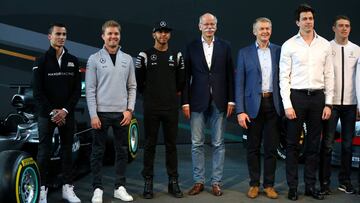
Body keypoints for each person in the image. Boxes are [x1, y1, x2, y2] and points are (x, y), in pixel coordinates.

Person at [279, 4, 334, 201]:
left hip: (318, 99)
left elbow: (330, 75)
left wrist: (329, 103)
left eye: (310, 18)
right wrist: (287, 104)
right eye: (304, 18)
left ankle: (310, 186)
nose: (308, 21)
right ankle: (293, 187)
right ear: (297, 22)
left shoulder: (325, 45)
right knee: (292, 145)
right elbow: (283, 77)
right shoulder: (289, 45)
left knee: (313, 146)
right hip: (297, 98)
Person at [182, 12, 235, 196]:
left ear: (216, 27)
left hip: (220, 101)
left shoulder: (225, 46)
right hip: (196, 101)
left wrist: (231, 99)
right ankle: (199, 182)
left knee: (218, 143)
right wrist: (185, 102)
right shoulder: (191, 47)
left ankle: (216, 182)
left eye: (212, 24)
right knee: (197, 143)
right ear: (200, 27)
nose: (209, 27)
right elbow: (186, 76)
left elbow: (230, 75)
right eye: (206, 24)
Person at [85, 20, 136, 203]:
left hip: (122, 114)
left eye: (116, 34)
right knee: (97, 152)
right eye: (110, 34)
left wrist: (129, 110)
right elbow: (90, 89)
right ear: (103, 36)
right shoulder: (94, 59)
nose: (113, 37)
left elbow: (132, 87)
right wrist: (93, 115)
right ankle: (97, 189)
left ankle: (119, 187)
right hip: (100, 114)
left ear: (119, 36)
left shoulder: (127, 59)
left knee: (122, 152)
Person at [135, 20, 185, 199]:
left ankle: (173, 182)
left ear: (169, 34)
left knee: (171, 146)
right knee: (150, 145)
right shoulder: (145, 55)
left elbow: (181, 82)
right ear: (153, 34)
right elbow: (139, 83)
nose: (163, 35)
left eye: (166, 32)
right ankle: (148, 182)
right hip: (152, 108)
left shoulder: (177, 55)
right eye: (160, 32)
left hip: (171, 108)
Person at [32, 23, 81, 203]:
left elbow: (76, 91)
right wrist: (53, 112)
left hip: (67, 115)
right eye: (58, 34)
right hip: (47, 115)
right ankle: (42, 191)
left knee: (68, 152)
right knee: (44, 153)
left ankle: (68, 189)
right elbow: (37, 93)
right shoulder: (41, 61)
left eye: (64, 34)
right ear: (49, 37)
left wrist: (65, 111)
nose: (61, 37)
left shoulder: (73, 60)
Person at [235, 17, 283, 199]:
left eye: (268, 29)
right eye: (261, 29)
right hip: (252, 106)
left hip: (273, 104)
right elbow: (239, 84)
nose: (265, 32)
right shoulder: (244, 53)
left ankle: (269, 185)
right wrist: (240, 110)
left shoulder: (279, 51)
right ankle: (254, 184)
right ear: (254, 31)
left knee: (271, 148)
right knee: (253, 148)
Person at [319, 15, 360, 195]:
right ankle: (325, 182)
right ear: (333, 28)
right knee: (327, 145)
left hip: (351, 105)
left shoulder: (357, 50)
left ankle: (345, 181)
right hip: (332, 104)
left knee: (347, 146)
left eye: (347, 26)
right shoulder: (326, 48)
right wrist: (326, 102)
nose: (344, 29)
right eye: (341, 26)